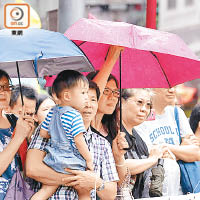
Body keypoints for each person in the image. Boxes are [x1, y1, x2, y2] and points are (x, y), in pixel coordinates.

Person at [26, 80, 119, 200]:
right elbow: (32, 169)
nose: (88, 105)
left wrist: (96, 182)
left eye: (93, 100)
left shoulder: (102, 144)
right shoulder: (50, 128)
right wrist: (78, 180)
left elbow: (111, 194)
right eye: (83, 99)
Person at [31, 70, 93, 200]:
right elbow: (79, 141)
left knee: (46, 189)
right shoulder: (75, 116)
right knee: (84, 191)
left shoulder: (52, 112)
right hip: (71, 162)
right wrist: (88, 160)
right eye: (83, 93)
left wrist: (56, 134)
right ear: (67, 96)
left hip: (52, 160)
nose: (86, 97)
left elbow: (43, 133)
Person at [135, 88, 200, 196]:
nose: (172, 90)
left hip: (184, 188)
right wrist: (181, 148)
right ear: (152, 87)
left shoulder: (177, 113)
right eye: (167, 87)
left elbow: (196, 153)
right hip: (155, 188)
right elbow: (149, 156)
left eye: (174, 86)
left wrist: (166, 147)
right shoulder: (141, 116)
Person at [112, 88, 164, 199]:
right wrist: (151, 160)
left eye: (148, 105)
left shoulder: (139, 139)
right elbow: (121, 165)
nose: (144, 109)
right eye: (139, 102)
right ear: (121, 102)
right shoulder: (113, 132)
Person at [0, 69, 34, 199]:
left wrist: (29, 138)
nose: (4, 92)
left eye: (7, 86)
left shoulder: (15, 120)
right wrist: (19, 137)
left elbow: (26, 168)